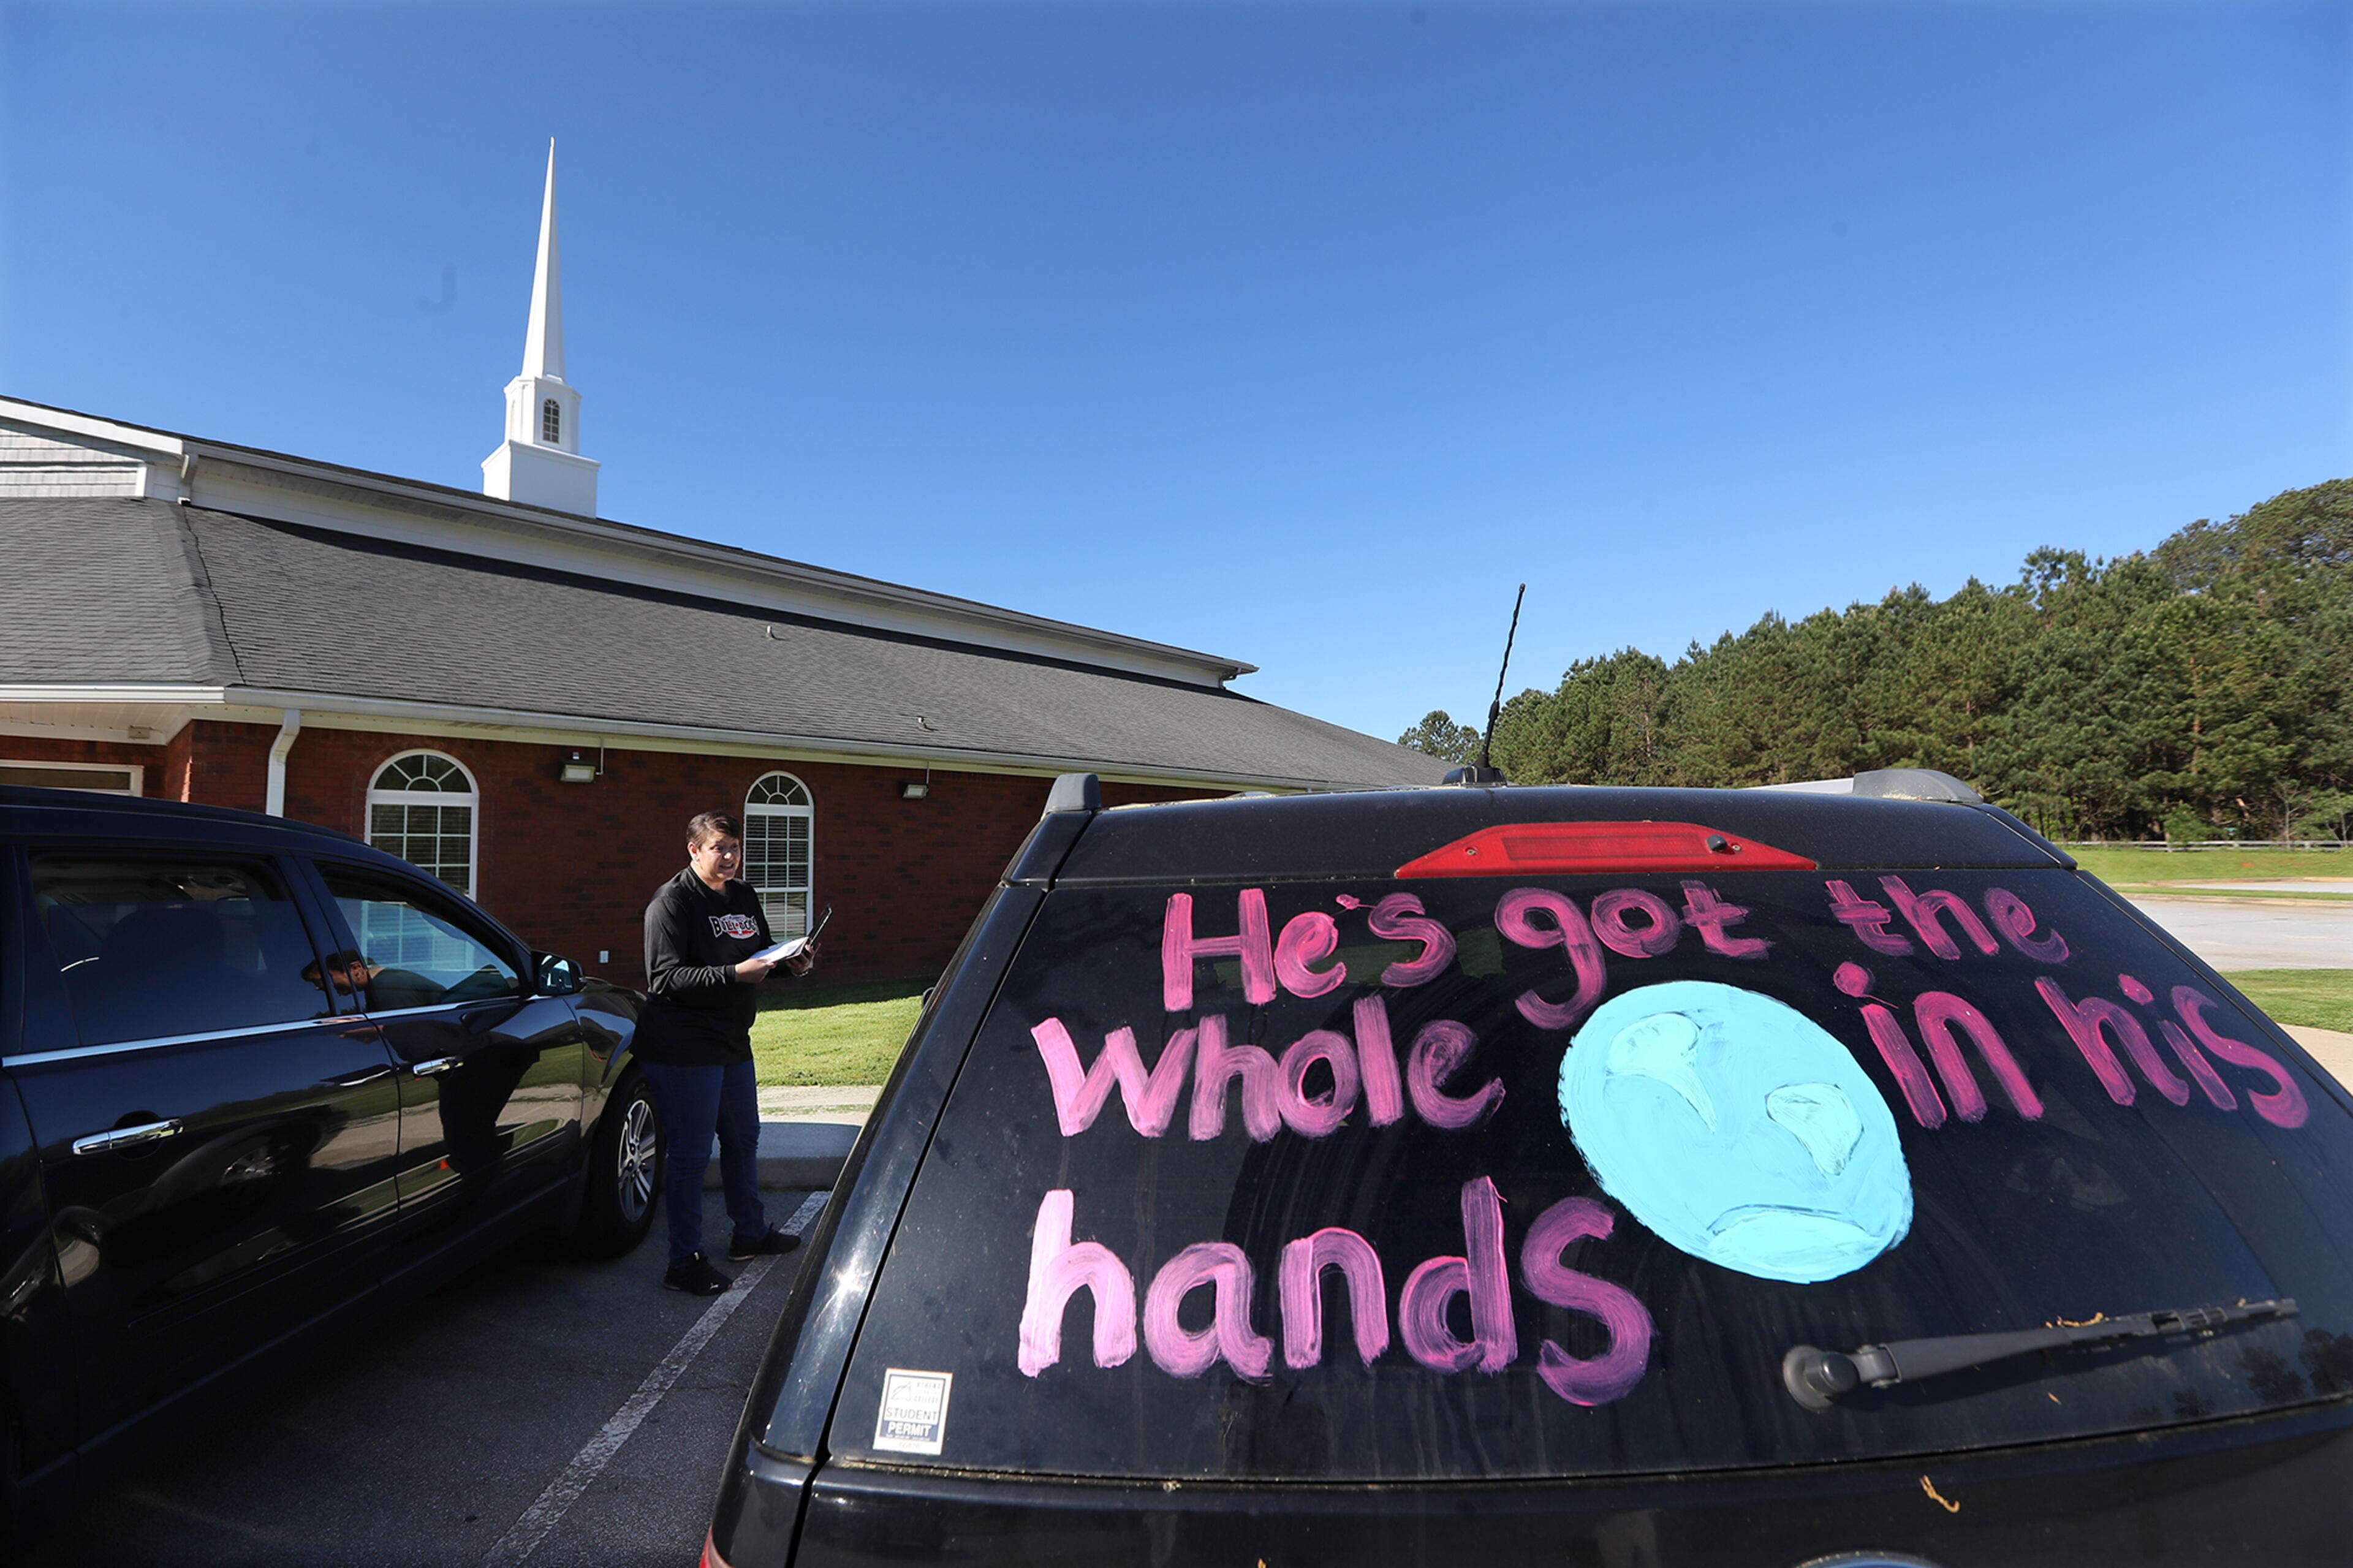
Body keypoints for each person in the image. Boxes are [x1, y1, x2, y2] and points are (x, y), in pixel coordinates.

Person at [636, 809, 816, 1294]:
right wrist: (735, 974)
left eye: (736, 847)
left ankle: (750, 1232)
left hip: (732, 1040)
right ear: (694, 849)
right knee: (692, 1155)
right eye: (721, 848)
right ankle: (683, 1261)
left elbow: (759, 955)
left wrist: (790, 963)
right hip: (682, 1045)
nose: (731, 856)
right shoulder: (671, 903)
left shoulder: (743, 895)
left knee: (743, 1139)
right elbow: (664, 980)